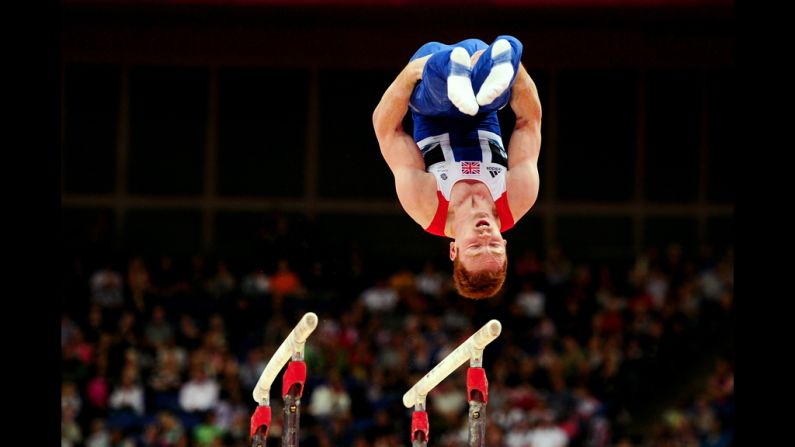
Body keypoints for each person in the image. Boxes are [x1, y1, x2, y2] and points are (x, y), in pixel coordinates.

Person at [372, 35, 542, 299]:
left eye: (475, 247)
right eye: (495, 245)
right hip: (484, 103)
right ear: (506, 244)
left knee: (440, 95)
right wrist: (516, 72)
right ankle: (502, 56)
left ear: (454, 250)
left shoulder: (425, 206)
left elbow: (387, 131)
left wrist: (409, 74)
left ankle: (452, 68)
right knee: (495, 86)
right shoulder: (519, 196)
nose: (485, 235)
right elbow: (529, 122)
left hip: (429, 98)